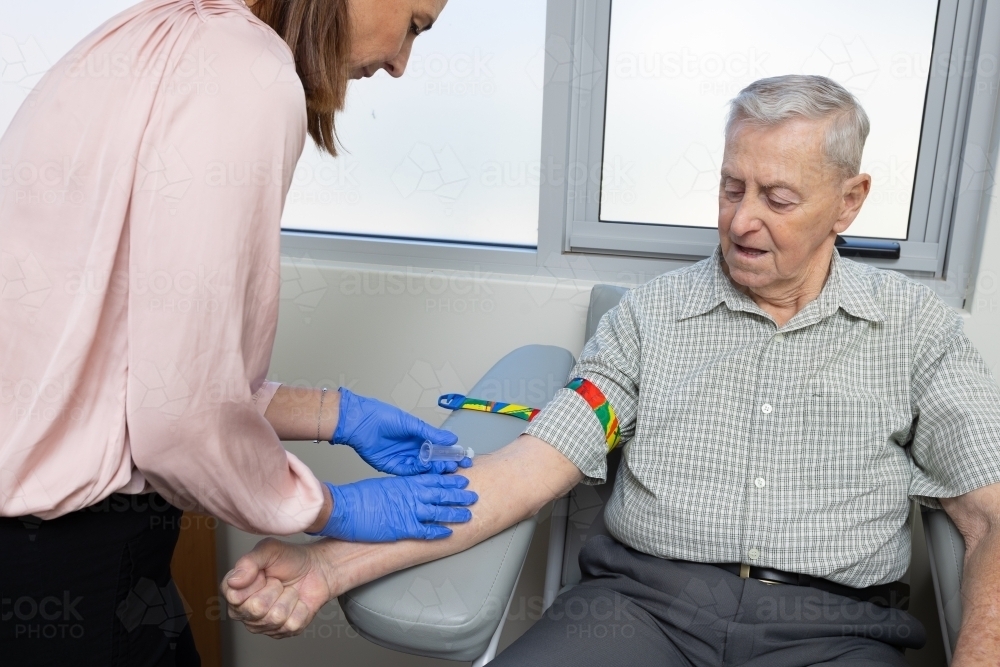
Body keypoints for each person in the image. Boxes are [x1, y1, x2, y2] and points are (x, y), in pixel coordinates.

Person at [222, 75, 1000, 665]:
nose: (739, 219)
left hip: (835, 630)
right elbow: (525, 473)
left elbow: (990, 517)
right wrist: (329, 563)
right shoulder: (649, 319)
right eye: (731, 186)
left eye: (778, 197)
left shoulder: (917, 332)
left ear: (849, 201)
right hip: (642, 610)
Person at [0, 0, 478, 664]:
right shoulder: (246, 72)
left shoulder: (143, 38)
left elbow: (116, 367)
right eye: (417, 25)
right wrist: (325, 507)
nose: (401, 62)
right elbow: (176, 416)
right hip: (68, 560)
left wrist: (333, 413)